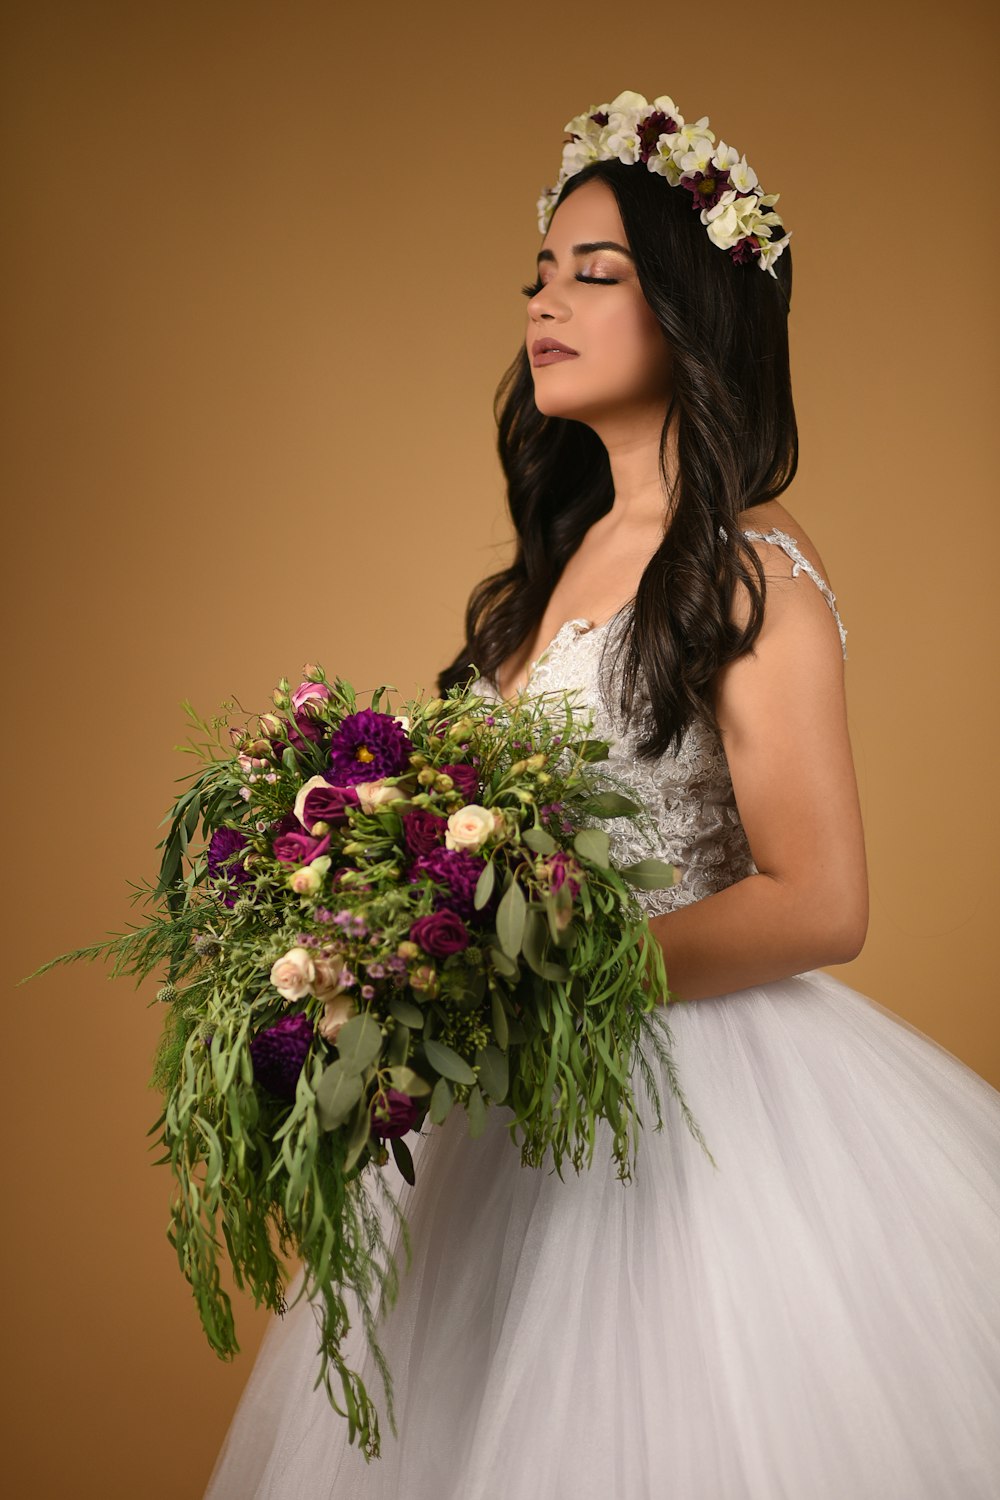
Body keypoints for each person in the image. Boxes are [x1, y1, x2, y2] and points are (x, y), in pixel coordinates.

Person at [204, 91, 1000, 1498]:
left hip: (694, 1113)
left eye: (595, 272)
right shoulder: (562, 554)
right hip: (515, 1119)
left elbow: (822, 900)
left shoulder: (746, 566)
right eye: (537, 274)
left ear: (693, 310)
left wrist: (541, 985)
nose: (544, 302)